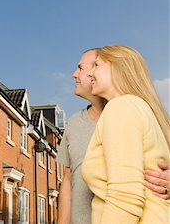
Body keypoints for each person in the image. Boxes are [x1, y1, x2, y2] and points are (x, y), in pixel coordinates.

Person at [56, 48, 170, 224]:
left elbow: (125, 198)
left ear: (116, 68)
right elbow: (68, 182)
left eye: (96, 65)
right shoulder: (133, 107)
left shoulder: (121, 108)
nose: (89, 73)